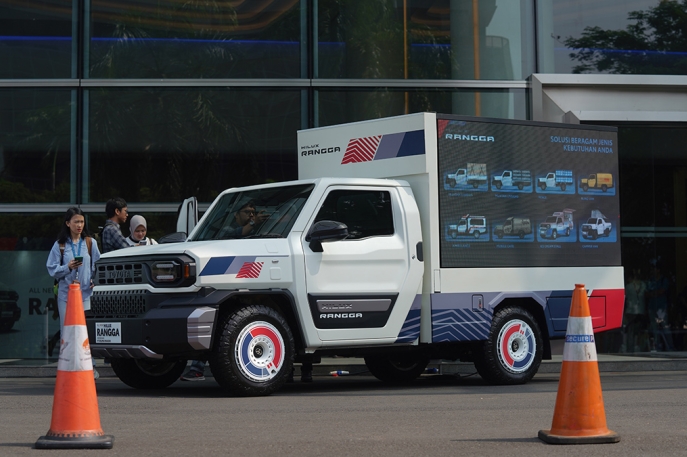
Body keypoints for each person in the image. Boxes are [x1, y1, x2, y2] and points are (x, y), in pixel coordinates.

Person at [180, 201, 277, 382]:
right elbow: (236, 236)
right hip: (224, 288)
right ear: (235, 215)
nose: (250, 215)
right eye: (247, 212)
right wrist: (254, 223)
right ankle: (197, 368)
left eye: (253, 212)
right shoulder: (225, 230)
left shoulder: (257, 232)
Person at [46, 207, 101, 378]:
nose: (79, 225)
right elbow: (52, 269)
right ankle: (67, 367)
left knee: (84, 330)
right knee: (67, 330)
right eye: (76, 221)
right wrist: (67, 267)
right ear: (68, 223)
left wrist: (93, 280)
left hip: (85, 294)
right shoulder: (60, 245)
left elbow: (97, 266)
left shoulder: (90, 242)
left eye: (82, 221)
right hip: (66, 294)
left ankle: (89, 366)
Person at [623, 268, 647, 352]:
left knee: (628, 329)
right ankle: (635, 346)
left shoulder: (629, 286)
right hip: (639, 310)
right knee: (636, 330)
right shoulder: (643, 285)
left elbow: (624, 299)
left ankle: (625, 346)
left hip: (631, 311)